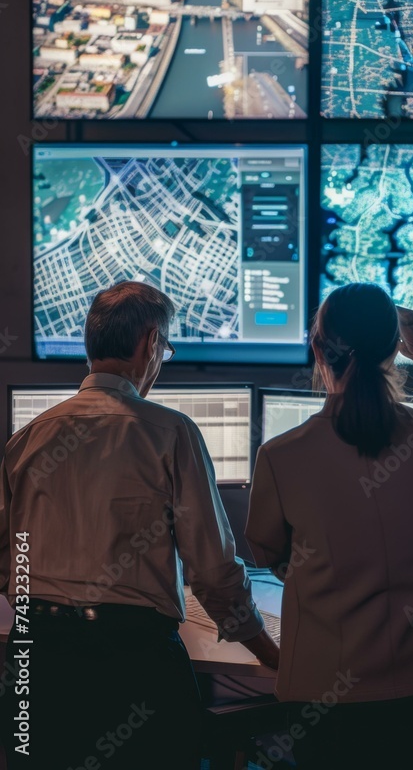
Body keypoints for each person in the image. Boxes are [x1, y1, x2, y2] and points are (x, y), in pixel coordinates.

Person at [0, 281, 279, 770]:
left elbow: (8, 560)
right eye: (165, 348)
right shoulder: (170, 433)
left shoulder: (25, 440)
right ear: (150, 344)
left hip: (34, 667)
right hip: (133, 663)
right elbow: (213, 573)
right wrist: (267, 651)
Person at [245, 283, 413, 770]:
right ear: (394, 352)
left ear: (319, 349)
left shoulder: (281, 455)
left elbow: (270, 556)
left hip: (326, 696)